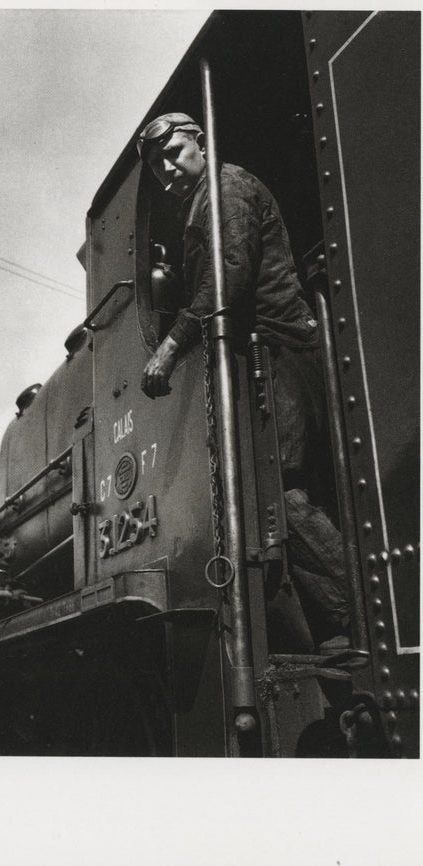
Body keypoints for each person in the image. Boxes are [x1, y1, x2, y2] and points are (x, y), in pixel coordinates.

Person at [137, 112, 352, 653]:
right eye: (157, 163)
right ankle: (338, 624)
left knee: (282, 491)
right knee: (283, 490)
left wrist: (169, 344)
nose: (167, 168)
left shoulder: (225, 191)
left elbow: (227, 280)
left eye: (174, 151)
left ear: (200, 142)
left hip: (279, 352)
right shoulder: (207, 199)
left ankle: (355, 614)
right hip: (275, 353)